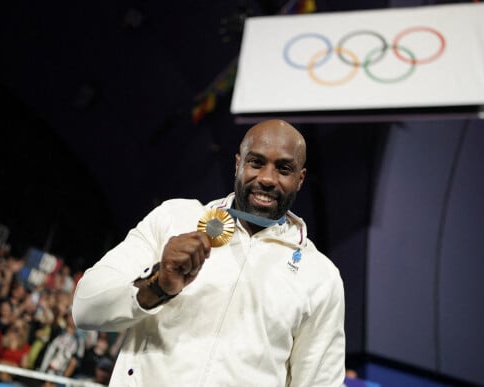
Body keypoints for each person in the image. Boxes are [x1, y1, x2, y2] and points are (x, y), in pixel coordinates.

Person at [72, 119, 346, 386]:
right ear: (238, 164)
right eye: (256, 162)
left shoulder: (320, 276)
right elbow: (85, 307)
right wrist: (157, 286)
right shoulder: (174, 218)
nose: (267, 178)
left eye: (284, 169)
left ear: (300, 179)